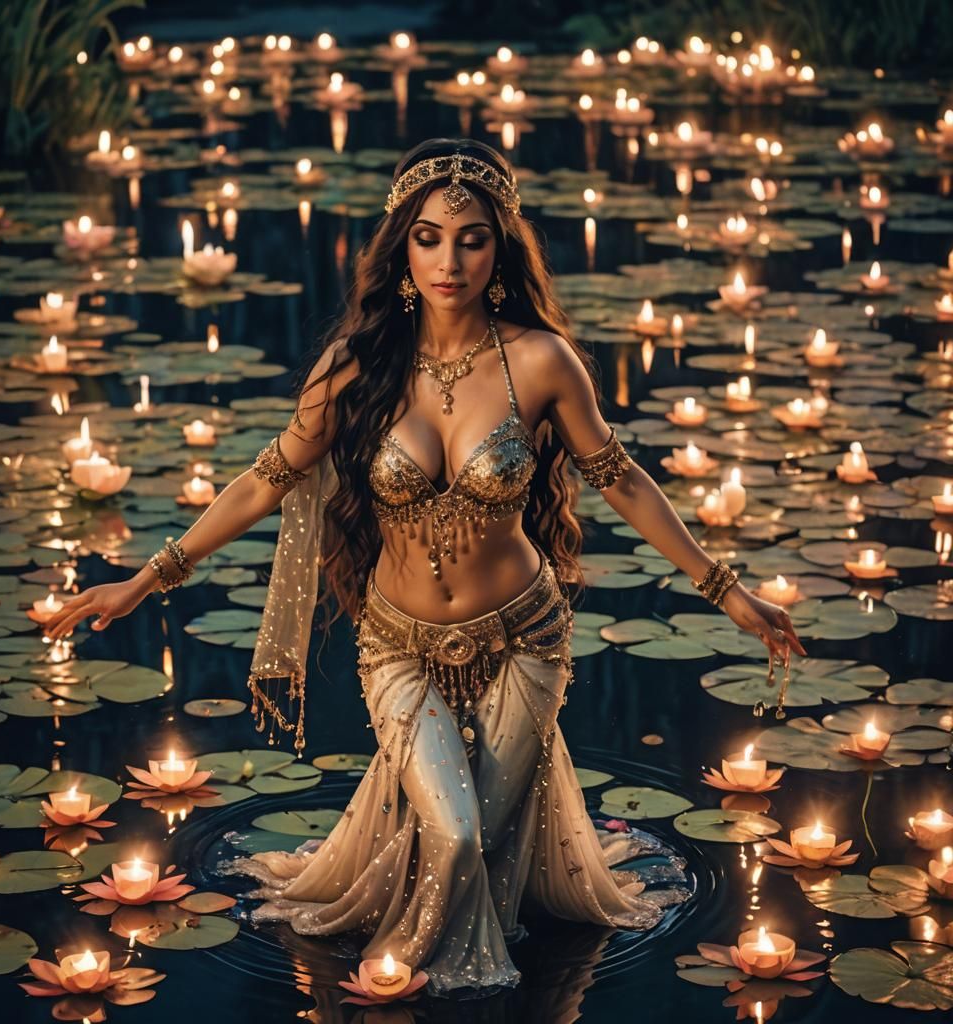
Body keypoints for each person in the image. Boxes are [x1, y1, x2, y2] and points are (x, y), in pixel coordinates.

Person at [44, 138, 807, 998]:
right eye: (429, 238)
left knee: (480, 838)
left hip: (526, 640)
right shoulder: (356, 367)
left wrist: (726, 590)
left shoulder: (541, 360)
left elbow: (621, 479)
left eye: (472, 240)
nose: (450, 262)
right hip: (397, 644)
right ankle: (411, 986)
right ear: (402, 248)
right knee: (456, 834)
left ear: (500, 250)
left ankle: (414, 990)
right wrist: (145, 579)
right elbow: (265, 479)